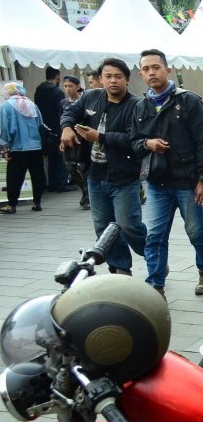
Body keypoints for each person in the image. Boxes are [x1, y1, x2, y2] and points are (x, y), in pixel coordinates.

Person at [131, 48, 203, 298]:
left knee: (196, 230)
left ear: (167, 70)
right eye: (146, 69)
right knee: (155, 235)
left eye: (155, 67)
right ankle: (155, 286)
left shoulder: (188, 100)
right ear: (141, 73)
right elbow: (134, 142)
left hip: (188, 182)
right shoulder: (141, 105)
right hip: (158, 183)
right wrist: (148, 144)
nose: (151, 72)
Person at [59, 58, 145, 276]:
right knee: (104, 228)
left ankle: (154, 255)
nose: (112, 81)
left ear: (127, 79)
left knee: (129, 226)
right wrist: (67, 127)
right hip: (95, 176)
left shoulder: (136, 105)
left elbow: (133, 140)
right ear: (101, 79)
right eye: (107, 76)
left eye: (118, 76)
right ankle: (121, 271)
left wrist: (99, 136)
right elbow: (70, 113)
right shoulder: (90, 96)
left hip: (124, 178)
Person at [0, 82, 46, 214]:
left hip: (18, 147)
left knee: (14, 177)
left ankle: (12, 204)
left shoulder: (7, 106)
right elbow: (40, 124)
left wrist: (5, 147)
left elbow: (5, 128)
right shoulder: (32, 105)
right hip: (35, 147)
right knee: (37, 175)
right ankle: (37, 202)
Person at [34, 66, 69, 192]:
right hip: (57, 127)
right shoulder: (57, 92)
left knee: (51, 157)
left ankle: (52, 182)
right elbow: (62, 112)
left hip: (44, 128)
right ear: (57, 76)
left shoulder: (39, 90)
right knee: (60, 156)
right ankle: (61, 183)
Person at [61, 75, 90, 210]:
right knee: (70, 165)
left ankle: (87, 194)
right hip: (69, 137)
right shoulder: (64, 103)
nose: (67, 89)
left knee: (83, 166)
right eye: (65, 86)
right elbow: (63, 119)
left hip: (84, 137)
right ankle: (84, 190)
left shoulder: (85, 101)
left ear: (77, 87)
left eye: (70, 86)